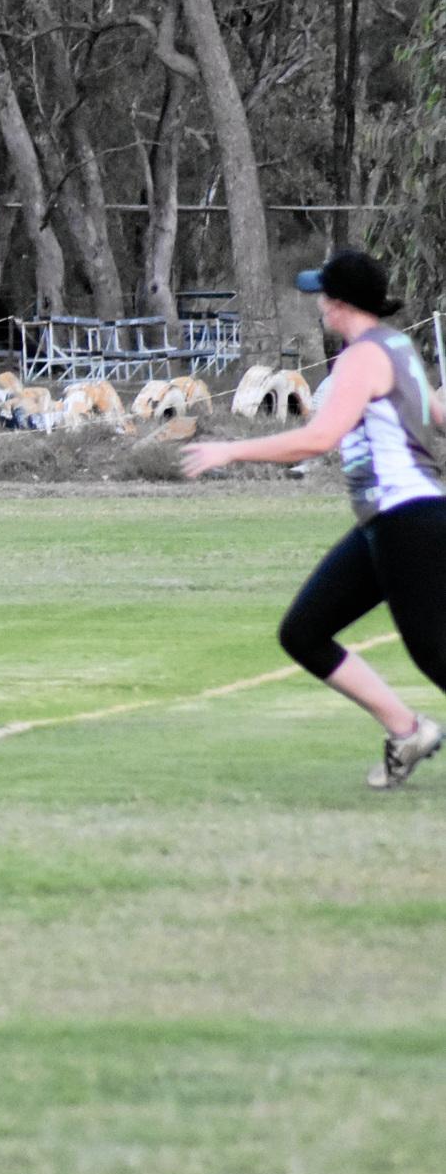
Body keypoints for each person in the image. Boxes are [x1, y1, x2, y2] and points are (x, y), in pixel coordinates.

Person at [183, 248, 446, 788]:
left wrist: (230, 452)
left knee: (436, 654)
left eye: (323, 295)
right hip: (391, 520)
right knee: (304, 632)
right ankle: (407, 730)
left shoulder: (363, 357)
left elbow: (319, 439)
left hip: (407, 517)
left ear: (339, 302)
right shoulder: (397, 346)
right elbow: (439, 417)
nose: (319, 304)